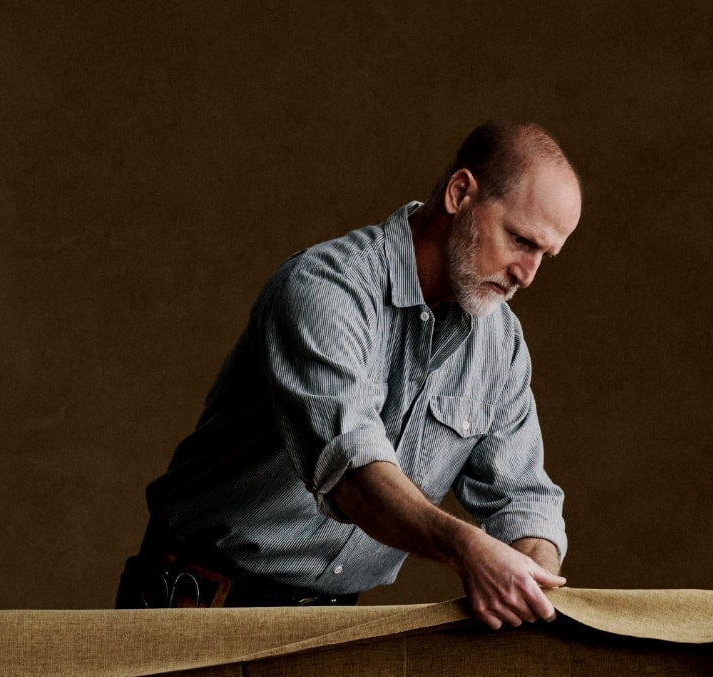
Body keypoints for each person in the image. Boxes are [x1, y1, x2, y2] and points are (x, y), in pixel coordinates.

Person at [119, 120, 582, 628]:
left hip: (330, 626)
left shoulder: (501, 344)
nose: (527, 275)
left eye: (545, 255)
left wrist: (533, 579)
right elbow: (354, 475)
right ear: (459, 194)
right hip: (198, 606)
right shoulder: (325, 288)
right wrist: (468, 549)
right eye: (520, 241)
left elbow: (523, 497)